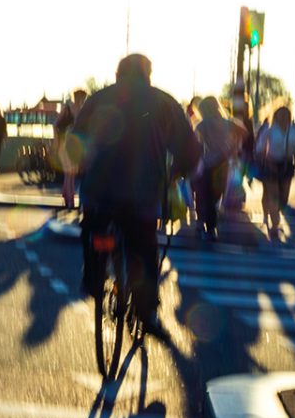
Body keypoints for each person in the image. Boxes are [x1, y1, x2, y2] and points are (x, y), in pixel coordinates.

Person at [64, 54, 199, 339]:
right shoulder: (163, 101)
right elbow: (189, 148)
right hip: (143, 192)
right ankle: (147, 311)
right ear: (147, 73)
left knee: (93, 226)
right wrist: (175, 173)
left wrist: (80, 167)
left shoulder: (98, 99)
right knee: (144, 248)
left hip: (100, 190)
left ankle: (92, 275)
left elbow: (74, 142)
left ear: (118, 74)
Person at [192, 96, 247, 241]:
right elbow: (244, 132)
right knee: (215, 196)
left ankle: (202, 223)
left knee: (203, 194)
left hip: (206, 163)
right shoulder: (228, 123)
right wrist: (233, 146)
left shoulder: (202, 125)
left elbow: (194, 144)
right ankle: (211, 227)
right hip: (224, 163)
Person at [256, 105, 295, 241]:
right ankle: (274, 226)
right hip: (271, 165)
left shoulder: (294, 131)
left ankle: (274, 216)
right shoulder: (269, 130)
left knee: (284, 197)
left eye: (285, 115)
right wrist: (263, 159)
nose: (283, 118)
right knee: (273, 195)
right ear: (275, 116)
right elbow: (260, 148)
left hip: (287, 165)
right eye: (280, 115)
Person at [54, 90, 88, 207]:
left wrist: (56, 140)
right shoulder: (76, 110)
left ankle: (67, 195)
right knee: (70, 173)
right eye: (82, 98)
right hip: (68, 145)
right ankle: (70, 199)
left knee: (70, 173)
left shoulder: (71, 109)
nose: (83, 100)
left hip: (68, 144)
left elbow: (56, 124)